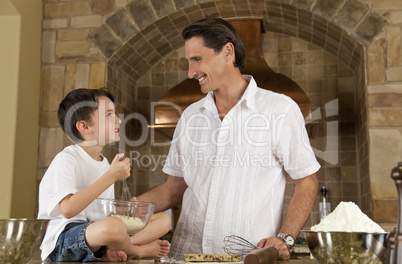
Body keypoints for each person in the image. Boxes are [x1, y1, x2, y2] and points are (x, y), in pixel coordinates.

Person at [136, 18, 320, 260]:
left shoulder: (280, 109)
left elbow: (307, 181)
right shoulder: (190, 116)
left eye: (197, 60)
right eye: (188, 62)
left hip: (248, 256)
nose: (191, 73)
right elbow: (174, 188)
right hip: (187, 254)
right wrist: (130, 208)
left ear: (228, 52)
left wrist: (285, 237)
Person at [38, 88, 171, 262]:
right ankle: (134, 251)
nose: (118, 120)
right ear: (84, 126)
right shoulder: (67, 159)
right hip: (63, 240)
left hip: (96, 233)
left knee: (163, 219)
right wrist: (111, 176)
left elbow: (100, 214)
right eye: (108, 115)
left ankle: (113, 250)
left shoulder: (104, 163)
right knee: (113, 227)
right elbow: (69, 209)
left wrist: (125, 211)